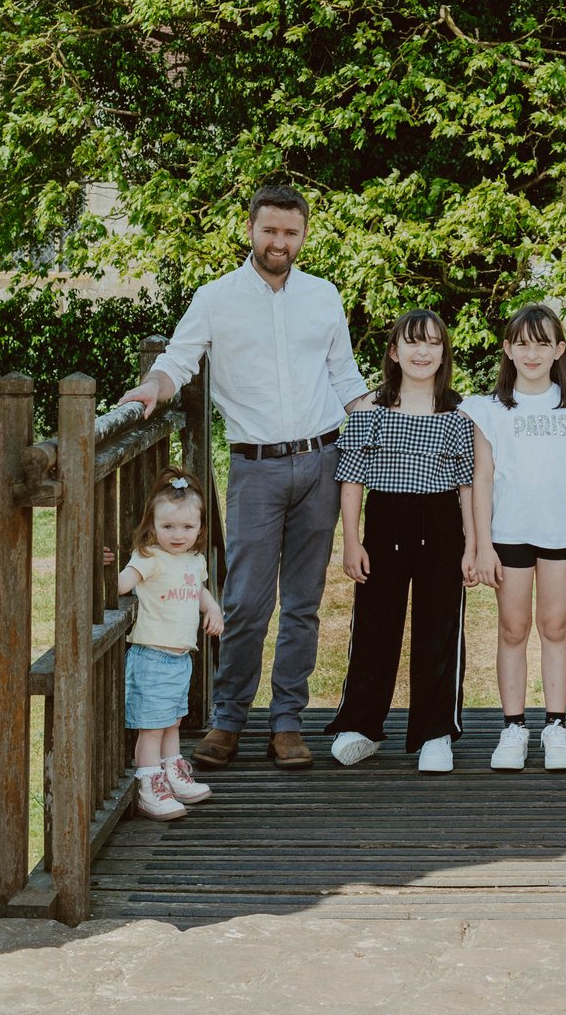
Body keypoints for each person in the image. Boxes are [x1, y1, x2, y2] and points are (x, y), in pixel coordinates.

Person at [121, 184, 370, 771]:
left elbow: (346, 379)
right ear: (251, 230)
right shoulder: (216, 298)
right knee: (246, 600)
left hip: (322, 462)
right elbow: (178, 361)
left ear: (303, 236)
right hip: (255, 468)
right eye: (270, 231)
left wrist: (396, 426)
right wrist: (152, 389)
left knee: (304, 603)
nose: (279, 242)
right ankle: (228, 719)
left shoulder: (323, 296)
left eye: (291, 232)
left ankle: (287, 722)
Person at [325, 309, 481, 774]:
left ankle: (435, 731)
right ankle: (361, 724)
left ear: (443, 352)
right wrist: (352, 542)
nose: (422, 351)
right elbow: (351, 479)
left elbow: (468, 486)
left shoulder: (458, 414)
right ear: (394, 351)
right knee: (375, 625)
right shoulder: (371, 409)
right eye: (412, 342)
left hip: (441, 524)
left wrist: (473, 545)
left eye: (432, 343)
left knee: (439, 629)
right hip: (385, 521)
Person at [464, 302, 566, 773]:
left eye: (543, 343)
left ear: (559, 349)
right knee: (512, 628)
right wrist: (483, 545)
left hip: (560, 535)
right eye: (522, 343)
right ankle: (513, 727)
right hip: (509, 534)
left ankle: (557, 727)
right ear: (507, 349)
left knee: (555, 627)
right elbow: (482, 479)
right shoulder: (490, 410)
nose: (532, 352)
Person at [116, 475, 226, 820]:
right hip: (152, 655)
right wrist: (104, 566)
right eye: (168, 526)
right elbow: (121, 585)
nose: (177, 535)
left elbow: (200, 593)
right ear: (153, 526)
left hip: (180, 659)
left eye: (186, 526)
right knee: (151, 726)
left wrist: (213, 608)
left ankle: (171, 774)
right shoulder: (149, 557)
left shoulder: (194, 560)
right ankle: (148, 785)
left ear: (199, 528)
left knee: (172, 721)